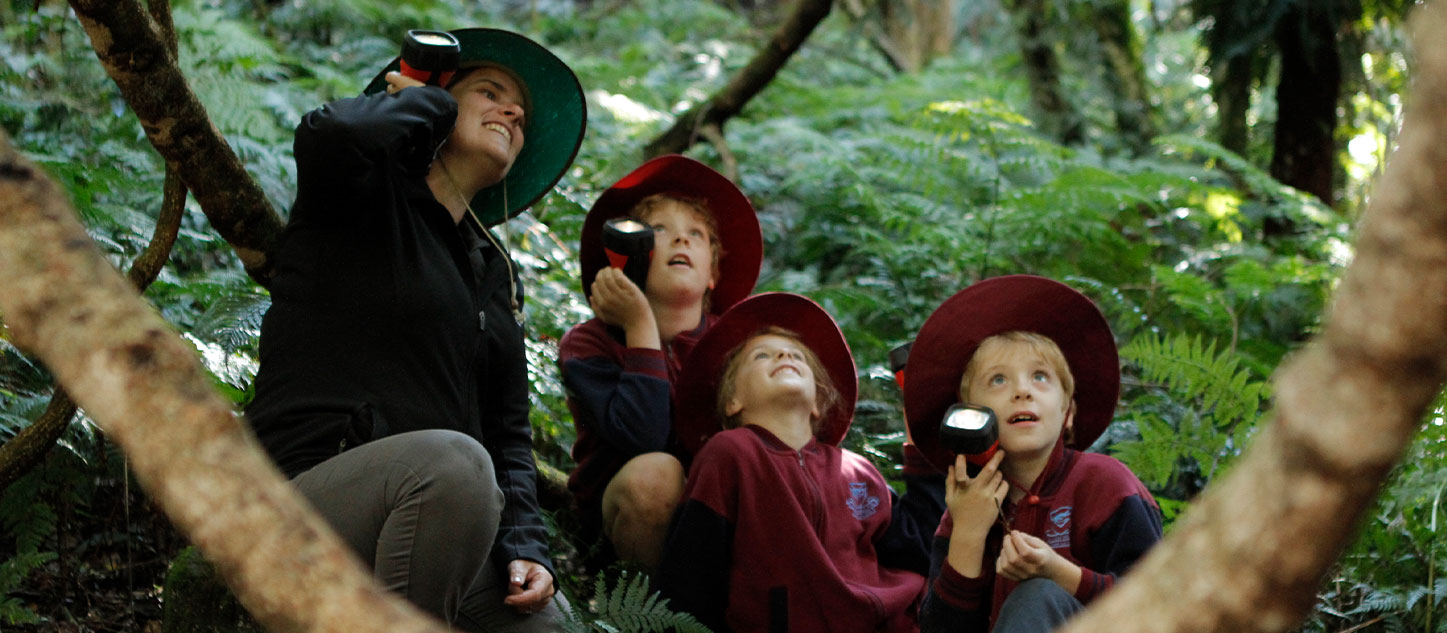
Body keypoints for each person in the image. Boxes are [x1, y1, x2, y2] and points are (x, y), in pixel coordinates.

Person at [242, 27, 586, 631]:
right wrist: (427, 99)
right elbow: (334, 132)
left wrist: (527, 547)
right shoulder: (357, 196)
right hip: (296, 503)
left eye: (522, 113)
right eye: (489, 92)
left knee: (544, 622)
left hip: (436, 517)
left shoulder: (492, 270)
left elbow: (507, 434)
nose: (512, 111)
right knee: (454, 466)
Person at [657, 292, 945, 633]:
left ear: (818, 404)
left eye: (797, 356)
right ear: (733, 400)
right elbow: (692, 576)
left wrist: (921, 442)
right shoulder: (731, 454)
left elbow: (922, 550)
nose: (783, 355)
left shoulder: (857, 470)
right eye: (761, 355)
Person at [905, 275, 1162, 633]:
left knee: (1038, 594)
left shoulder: (1106, 485)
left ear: (1068, 413)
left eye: (1040, 377)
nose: (1022, 391)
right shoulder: (964, 508)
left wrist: (1060, 574)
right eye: (998, 380)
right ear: (969, 415)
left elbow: (1161, 601)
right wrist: (967, 533)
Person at [560, 155, 761, 567]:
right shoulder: (589, 343)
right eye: (658, 231)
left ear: (713, 274)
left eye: (697, 234)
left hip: (717, 521)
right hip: (625, 519)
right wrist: (640, 327)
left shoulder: (735, 349)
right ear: (628, 256)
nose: (681, 240)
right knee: (656, 473)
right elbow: (644, 438)